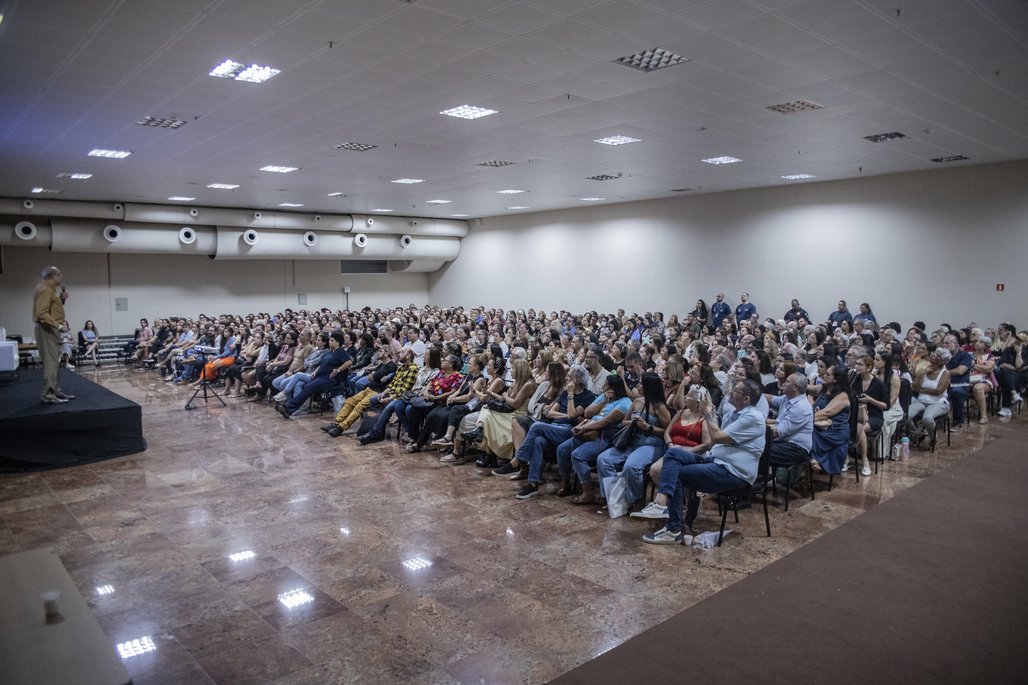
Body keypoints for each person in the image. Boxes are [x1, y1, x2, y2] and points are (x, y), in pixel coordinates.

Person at [632, 379, 765, 543]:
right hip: (716, 461)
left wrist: (708, 414)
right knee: (673, 453)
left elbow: (716, 437)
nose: (731, 391)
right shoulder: (736, 413)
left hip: (734, 472)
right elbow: (718, 436)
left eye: (736, 390)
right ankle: (660, 504)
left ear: (747, 399)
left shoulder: (753, 418)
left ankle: (673, 528)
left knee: (678, 475)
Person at [596, 372, 672, 508]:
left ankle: (634, 499)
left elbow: (668, 432)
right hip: (632, 440)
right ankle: (614, 497)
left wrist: (648, 427)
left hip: (652, 444)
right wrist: (633, 422)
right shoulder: (637, 401)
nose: (638, 386)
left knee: (631, 466)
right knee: (603, 459)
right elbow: (623, 422)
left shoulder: (660, 407)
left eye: (641, 383)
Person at [33, 266, 74, 403]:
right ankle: (48, 395)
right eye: (60, 274)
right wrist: (59, 326)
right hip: (47, 329)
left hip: (50, 329)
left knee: (54, 363)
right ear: (52, 276)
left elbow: (51, 309)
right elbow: (42, 313)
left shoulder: (51, 290)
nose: (61, 277)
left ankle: (55, 391)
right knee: (51, 363)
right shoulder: (45, 289)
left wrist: (61, 300)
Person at [766, 373, 814, 480]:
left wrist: (754, 434)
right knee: (756, 446)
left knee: (758, 449)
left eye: (787, 381)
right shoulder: (787, 398)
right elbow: (772, 399)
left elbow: (776, 433)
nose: (783, 383)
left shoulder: (801, 407)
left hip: (796, 449)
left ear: (795, 387)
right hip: (784, 443)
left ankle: (756, 484)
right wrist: (755, 394)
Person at [809, 365, 852, 475]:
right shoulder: (823, 389)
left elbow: (827, 412)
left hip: (836, 431)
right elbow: (808, 389)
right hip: (822, 426)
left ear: (836, 379)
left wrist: (805, 418)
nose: (824, 375)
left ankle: (812, 459)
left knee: (809, 431)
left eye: (828, 374)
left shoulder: (842, 395)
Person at [942, 333, 973, 432]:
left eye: (947, 343)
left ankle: (958, 422)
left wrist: (942, 373)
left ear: (956, 345)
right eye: (944, 343)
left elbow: (960, 371)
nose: (944, 345)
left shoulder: (965, 356)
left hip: (959, 384)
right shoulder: (941, 356)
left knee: (957, 392)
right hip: (943, 384)